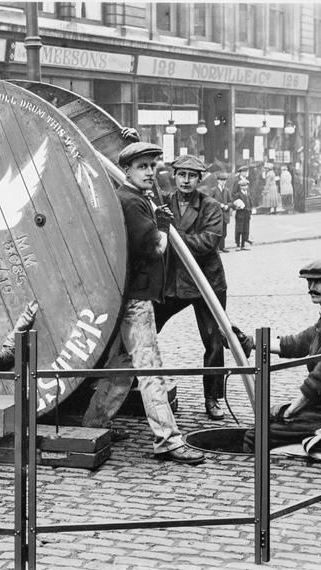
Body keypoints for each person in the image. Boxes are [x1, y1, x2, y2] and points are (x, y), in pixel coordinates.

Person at [82, 142, 205, 465]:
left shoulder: (133, 199)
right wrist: (162, 226)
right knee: (151, 371)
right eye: (142, 167)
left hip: (128, 297)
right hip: (137, 301)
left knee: (121, 369)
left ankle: (93, 425)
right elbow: (156, 249)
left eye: (153, 166)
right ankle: (167, 439)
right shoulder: (131, 202)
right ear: (126, 170)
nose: (150, 172)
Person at [243, 259, 321, 451]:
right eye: (309, 282)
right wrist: (250, 341)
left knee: (255, 435)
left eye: (319, 282)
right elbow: (296, 343)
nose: (311, 288)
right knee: (268, 418)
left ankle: (258, 478)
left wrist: (292, 410)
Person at [153, 155, 227, 420]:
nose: (186, 180)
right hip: (173, 282)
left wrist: (172, 234)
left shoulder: (210, 206)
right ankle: (135, 385)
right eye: (181, 174)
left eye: (192, 175)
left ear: (199, 179)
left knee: (213, 341)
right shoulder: (163, 202)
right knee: (146, 327)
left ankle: (212, 399)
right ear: (174, 176)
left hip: (205, 282)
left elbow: (209, 242)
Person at [233, 177, 252, 250]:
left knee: (245, 230)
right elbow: (234, 204)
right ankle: (238, 245)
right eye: (243, 185)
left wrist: (250, 211)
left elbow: (250, 204)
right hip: (240, 215)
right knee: (239, 230)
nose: (245, 187)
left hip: (247, 215)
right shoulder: (238, 195)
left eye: (246, 185)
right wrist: (237, 207)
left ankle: (243, 245)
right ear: (240, 186)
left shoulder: (248, 194)